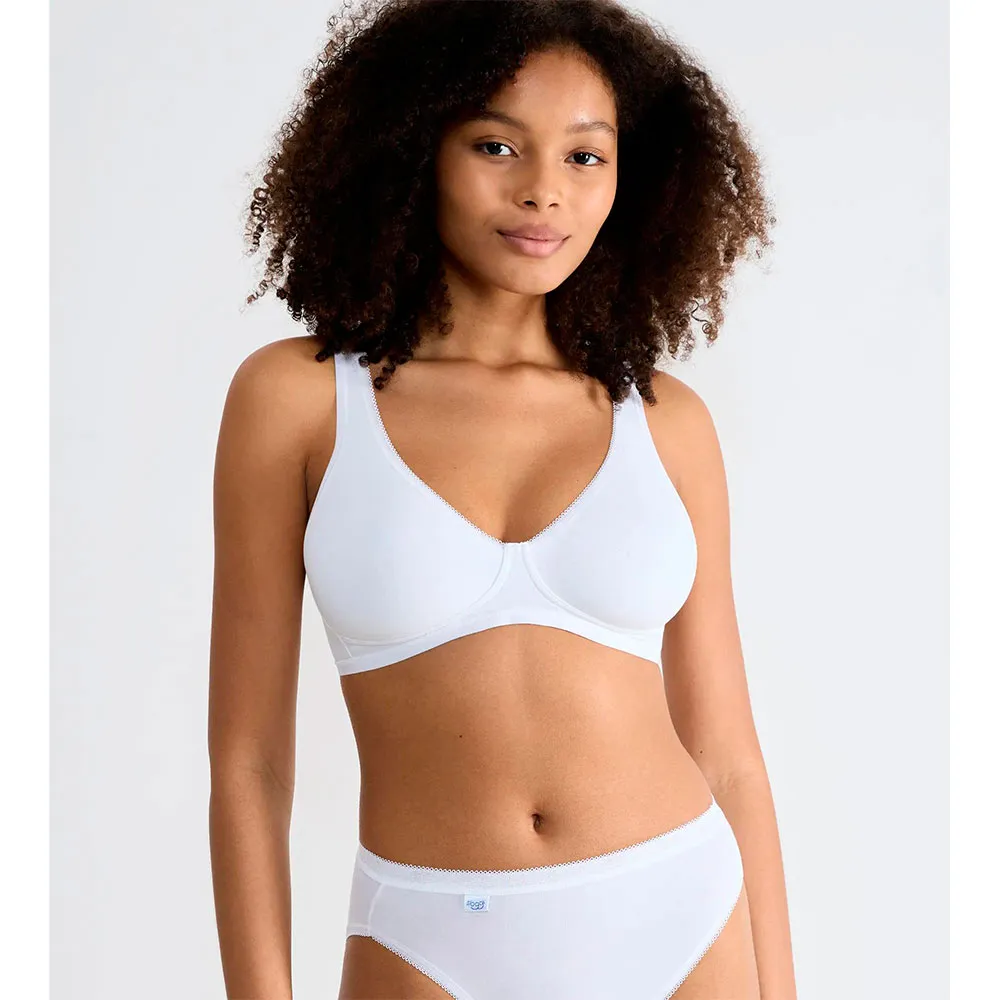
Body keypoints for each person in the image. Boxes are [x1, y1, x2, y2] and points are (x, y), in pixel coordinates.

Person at [208, 1, 794, 997]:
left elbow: (729, 756)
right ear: (413, 150)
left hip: (683, 914)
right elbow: (249, 763)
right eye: (496, 145)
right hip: (429, 935)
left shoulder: (665, 420)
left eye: (584, 156)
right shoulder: (298, 400)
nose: (543, 192)